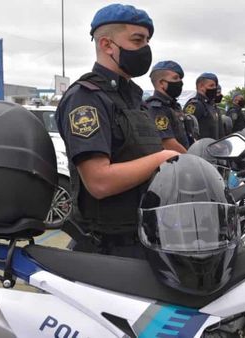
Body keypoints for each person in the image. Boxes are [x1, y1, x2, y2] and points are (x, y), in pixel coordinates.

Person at [55, 4, 179, 257]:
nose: (145, 49)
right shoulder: (86, 99)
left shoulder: (134, 98)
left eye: (147, 40)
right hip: (108, 247)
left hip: (145, 234)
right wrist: (163, 159)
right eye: (137, 40)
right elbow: (99, 181)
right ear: (107, 45)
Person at [145, 60, 188, 153]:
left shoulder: (174, 106)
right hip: (171, 164)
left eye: (180, 78)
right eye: (175, 78)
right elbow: (168, 143)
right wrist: (193, 160)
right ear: (161, 83)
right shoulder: (156, 108)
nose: (180, 82)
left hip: (183, 162)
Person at [183, 73, 219, 139]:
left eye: (215, 86)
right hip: (201, 147)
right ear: (201, 86)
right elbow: (187, 130)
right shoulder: (195, 105)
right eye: (211, 86)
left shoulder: (210, 105)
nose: (214, 88)